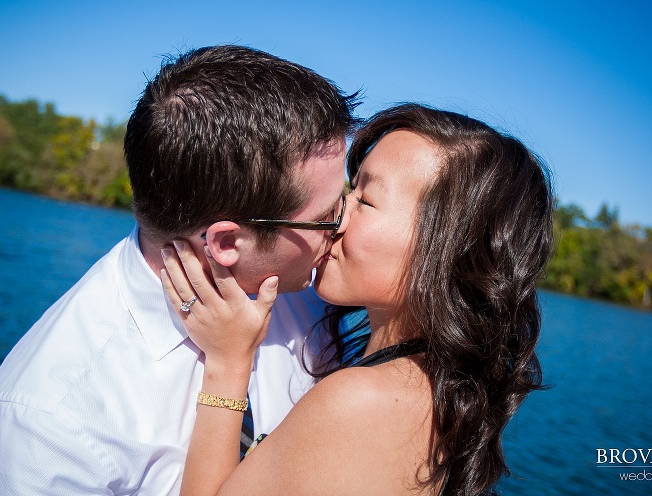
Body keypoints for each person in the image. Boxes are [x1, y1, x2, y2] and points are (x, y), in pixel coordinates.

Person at [0, 45, 358, 494]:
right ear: (228, 242)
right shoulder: (47, 421)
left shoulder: (315, 296)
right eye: (328, 215)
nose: (343, 226)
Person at [160, 103, 554, 496]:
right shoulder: (437, 393)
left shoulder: (363, 401)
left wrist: (229, 362)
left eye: (365, 200)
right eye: (351, 188)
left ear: (448, 252)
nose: (335, 211)